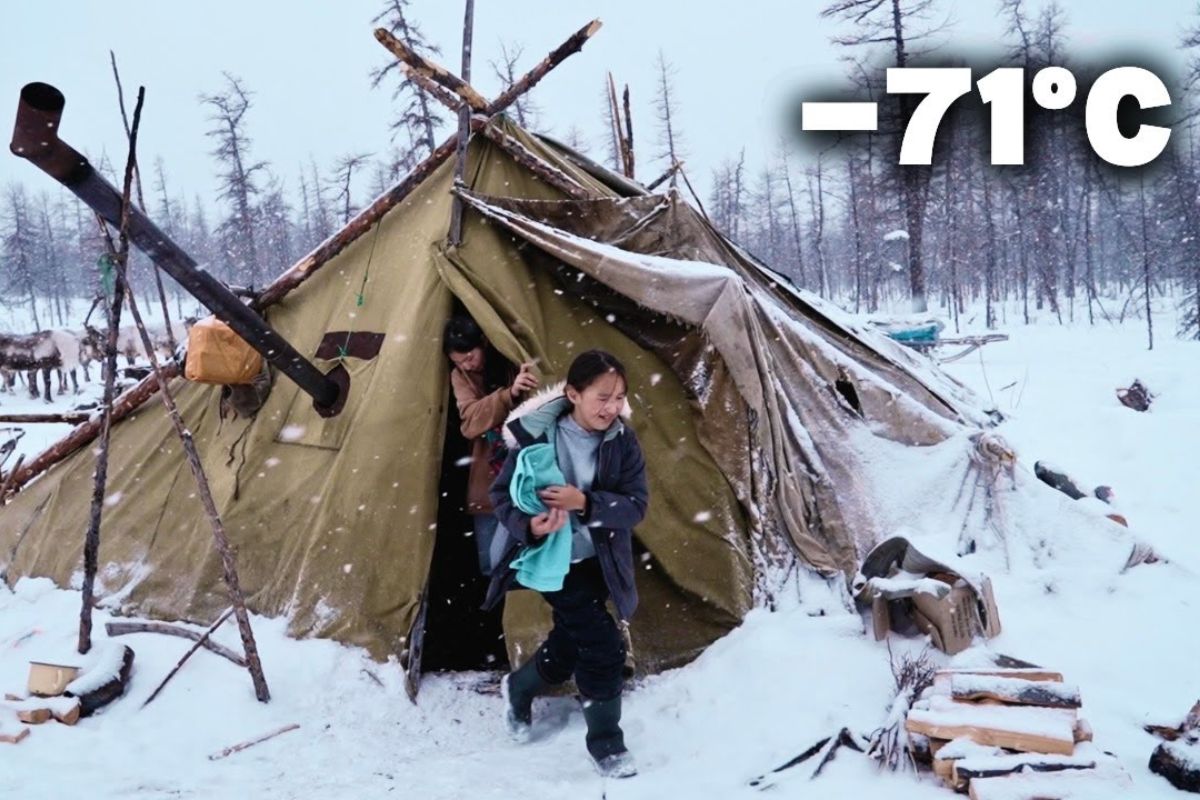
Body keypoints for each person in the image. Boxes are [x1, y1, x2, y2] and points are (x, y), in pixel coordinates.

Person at [483, 350, 647, 779]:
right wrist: (530, 525)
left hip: (600, 559)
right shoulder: (536, 438)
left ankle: (518, 688)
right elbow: (501, 498)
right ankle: (607, 744)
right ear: (573, 394)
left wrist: (586, 502)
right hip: (554, 561)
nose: (612, 408)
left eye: (619, 398)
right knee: (603, 647)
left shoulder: (621, 441)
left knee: (571, 644)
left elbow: (635, 506)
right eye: (602, 397)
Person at [443, 315, 538, 574]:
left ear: (484, 343)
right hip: (487, 471)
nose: (467, 365)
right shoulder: (461, 375)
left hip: (527, 466)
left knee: (528, 551)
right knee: (491, 563)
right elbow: (470, 421)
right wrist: (507, 396)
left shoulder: (510, 360)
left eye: (470, 357)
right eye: (459, 362)